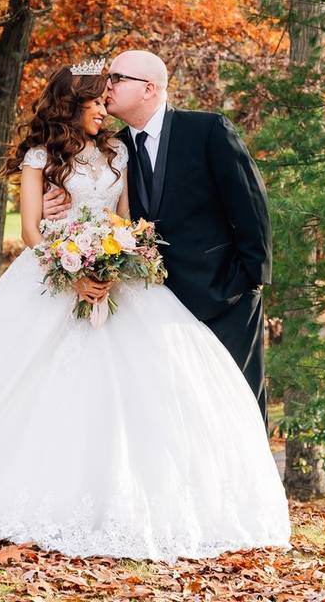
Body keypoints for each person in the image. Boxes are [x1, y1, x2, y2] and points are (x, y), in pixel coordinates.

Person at [0, 63, 291, 563]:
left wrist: (115, 261)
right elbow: (31, 231)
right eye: (96, 101)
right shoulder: (40, 157)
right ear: (74, 107)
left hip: (120, 275)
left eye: (108, 97)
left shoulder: (120, 150)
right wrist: (70, 268)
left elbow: (129, 217)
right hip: (52, 274)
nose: (103, 107)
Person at [43, 50, 274, 433]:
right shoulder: (111, 148)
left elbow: (250, 204)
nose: (107, 85)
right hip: (151, 304)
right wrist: (58, 201)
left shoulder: (208, 130)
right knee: (175, 416)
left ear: (149, 88)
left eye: (116, 78)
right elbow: (86, 196)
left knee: (236, 411)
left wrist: (250, 280)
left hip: (224, 297)